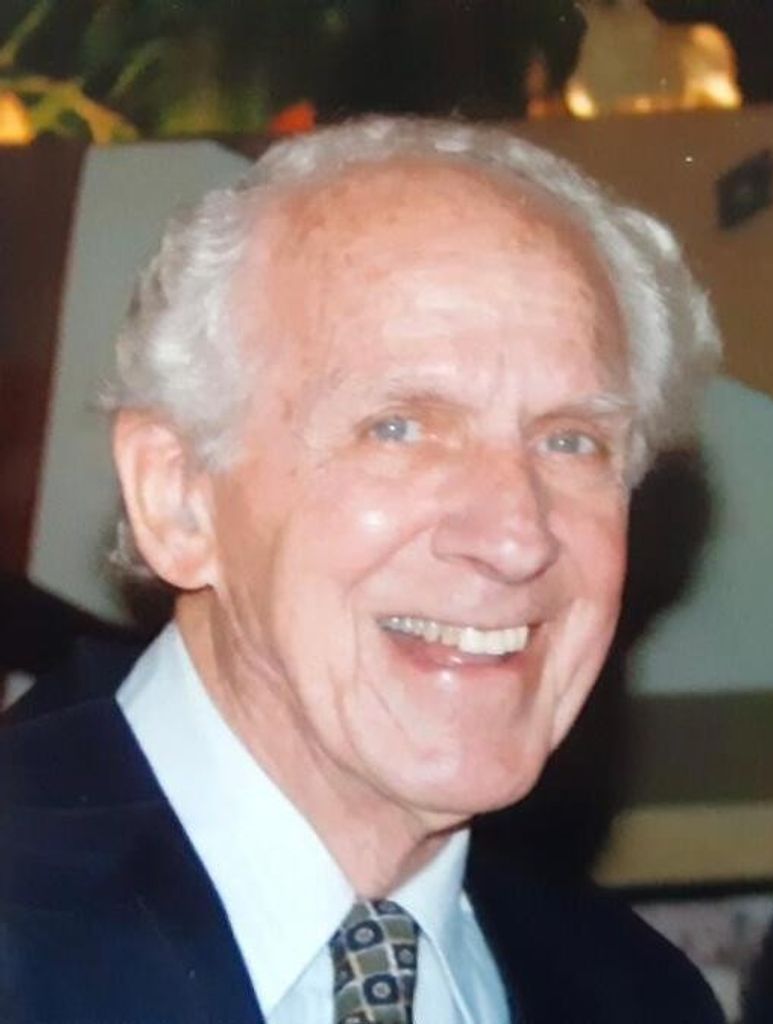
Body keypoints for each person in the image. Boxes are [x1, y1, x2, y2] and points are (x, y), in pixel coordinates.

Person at [0, 117, 725, 1023]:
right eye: (399, 428)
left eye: (572, 441)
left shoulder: (643, 996)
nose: (516, 537)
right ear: (178, 496)